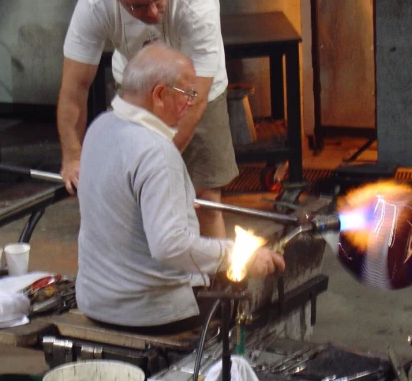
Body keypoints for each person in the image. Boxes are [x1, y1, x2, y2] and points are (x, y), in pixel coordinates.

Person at [76, 43, 285, 328]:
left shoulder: (100, 126)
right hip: (150, 312)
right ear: (159, 94)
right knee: (260, 304)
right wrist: (239, 256)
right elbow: (170, 247)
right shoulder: (157, 153)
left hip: (95, 300)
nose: (191, 103)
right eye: (187, 94)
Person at [58, 0, 238, 238]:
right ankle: (140, 275)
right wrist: (72, 156)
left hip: (197, 90)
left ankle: (217, 281)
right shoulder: (95, 4)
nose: (153, 12)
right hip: (136, 91)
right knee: (132, 195)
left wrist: (159, 162)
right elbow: (74, 88)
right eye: (139, 6)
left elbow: (196, 98)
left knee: (205, 197)